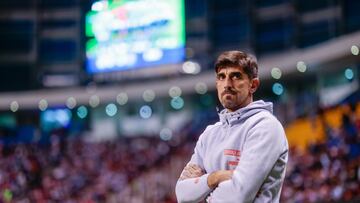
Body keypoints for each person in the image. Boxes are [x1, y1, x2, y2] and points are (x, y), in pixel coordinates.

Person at [175, 50, 289, 203]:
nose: (227, 84)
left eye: (236, 76)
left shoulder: (265, 126)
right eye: (221, 77)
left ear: (253, 85)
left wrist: (203, 186)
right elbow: (183, 194)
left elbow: (238, 195)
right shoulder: (209, 134)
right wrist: (216, 177)